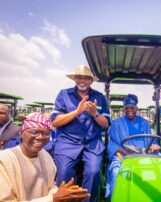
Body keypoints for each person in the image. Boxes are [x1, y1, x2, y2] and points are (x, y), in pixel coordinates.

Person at [51, 64, 110, 202]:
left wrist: (95, 113)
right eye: (79, 78)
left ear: (91, 80)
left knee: (93, 172)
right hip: (67, 142)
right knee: (64, 172)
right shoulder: (64, 94)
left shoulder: (99, 97)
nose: (82, 81)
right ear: (75, 79)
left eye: (86, 78)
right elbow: (55, 122)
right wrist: (76, 112)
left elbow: (106, 124)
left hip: (92, 144)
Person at [0, 112, 91, 201]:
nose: (40, 137)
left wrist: (63, 194)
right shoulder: (5, 160)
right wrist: (53, 198)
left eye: (46, 133)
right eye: (35, 132)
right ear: (21, 132)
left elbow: (50, 186)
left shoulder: (45, 156)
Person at [105, 94, 161, 198]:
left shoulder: (144, 122)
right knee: (116, 172)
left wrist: (154, 145)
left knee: (160, 168)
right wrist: (125, 151)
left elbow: (151, 139)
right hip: (124, 155)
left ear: (136, 108)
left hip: (144, 154)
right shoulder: (116, 123)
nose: (129, 110)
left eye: (132, 107)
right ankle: (116, 197)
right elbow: (112, 143)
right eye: (127, 108)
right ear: (123, 109)